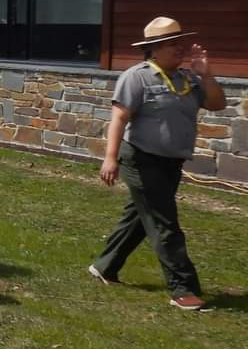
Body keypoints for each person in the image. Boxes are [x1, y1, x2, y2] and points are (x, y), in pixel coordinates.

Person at [89, 17, 225, 311]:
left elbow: (217, 104)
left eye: (180, 43)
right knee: (164, 224)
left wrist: (207, 75)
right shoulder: (136, 77)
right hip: (140, 158)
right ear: (154, 49)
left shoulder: (187, 78)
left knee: (140, 218)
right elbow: (119, 119)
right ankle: (183, 288)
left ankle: (105, 266)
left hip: (171, 161)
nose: (180, 49)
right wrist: (110, 158)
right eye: (173, 44)